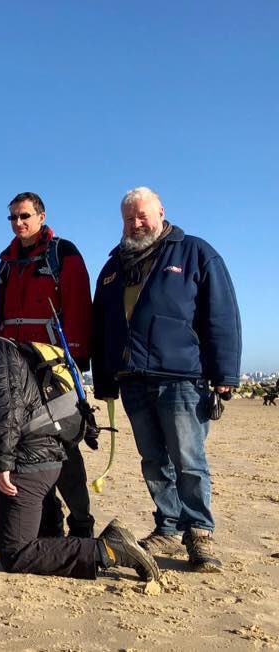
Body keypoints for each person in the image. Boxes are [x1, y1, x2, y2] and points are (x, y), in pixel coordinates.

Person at [0, 319, 160, 581]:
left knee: (16, 554)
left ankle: (108, 549)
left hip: (30, 459)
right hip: (31, 457)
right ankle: (42, 531)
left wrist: (2, 464)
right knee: (19, 537)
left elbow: (6, 408)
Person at [91, 187, 241, 573]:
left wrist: (225, 373)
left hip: (182, 378)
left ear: (161, 213)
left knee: (188, 459)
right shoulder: (113, 267)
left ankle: (200, 533)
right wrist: (104, 379)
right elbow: (102, 327)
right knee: (154, 461)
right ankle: (169, 528)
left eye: (142, 215)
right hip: (132, 379)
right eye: (128, 218)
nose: (136, 224)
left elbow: (221, 314)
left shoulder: (194, 252)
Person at [0, 192, 95, 538]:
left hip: (53, 366)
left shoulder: (63, 253)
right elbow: (0, 315)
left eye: (24, 216)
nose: (18, 223)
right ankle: (47, 521)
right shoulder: (5, 263)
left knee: (65, 442)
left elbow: (79, 305)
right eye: (12, 217)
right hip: (17, 364)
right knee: (27, 444)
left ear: (41, 215)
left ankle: (81, 523)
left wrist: (76, 357)